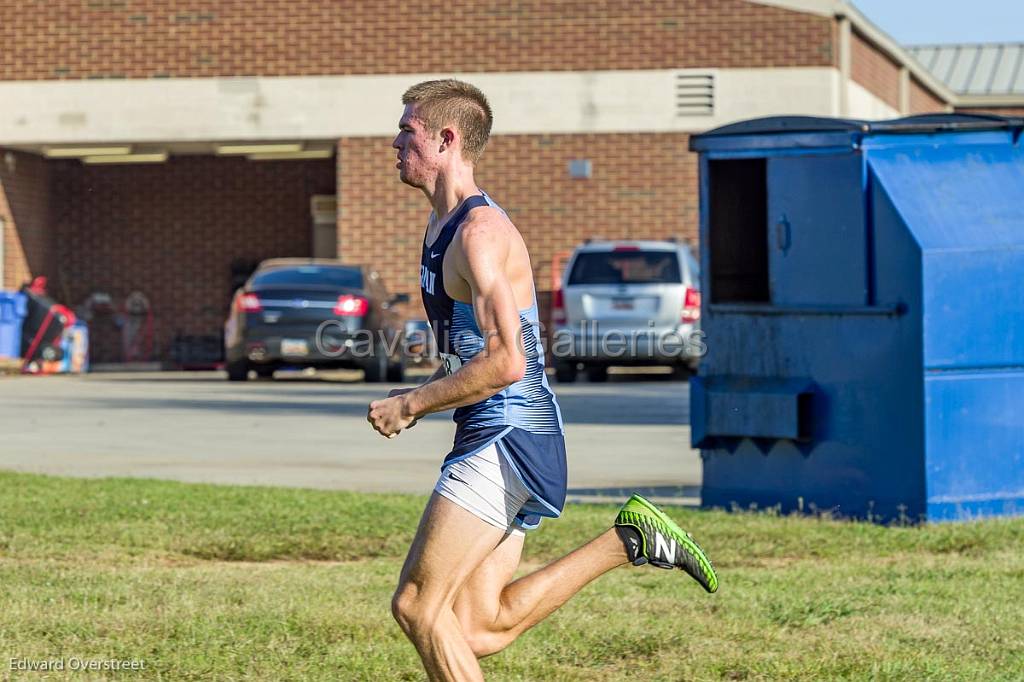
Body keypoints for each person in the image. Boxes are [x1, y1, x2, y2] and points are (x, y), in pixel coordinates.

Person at [367, 79, 718, 681]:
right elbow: (473, 351)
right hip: (507, 435)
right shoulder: (441, 227)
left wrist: (412, 403)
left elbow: (508, 362)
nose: (395, 142)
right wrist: (432, 385)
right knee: (479, 626)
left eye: (408, 130)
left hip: (506, 435)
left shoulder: (479, 235)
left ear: (447, 140)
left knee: (418, 606)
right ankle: (627, 542)